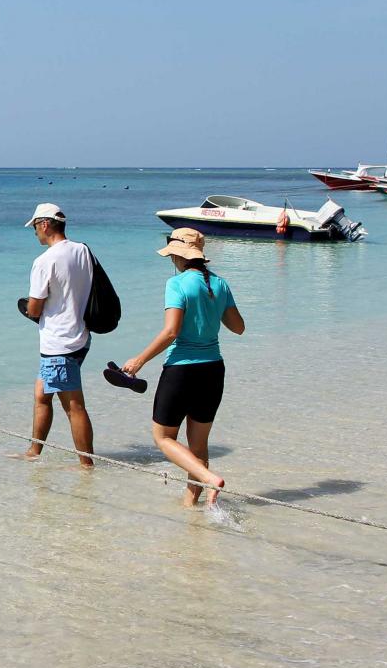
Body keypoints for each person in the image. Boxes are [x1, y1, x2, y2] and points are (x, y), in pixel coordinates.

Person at [120, 227, 245, 507]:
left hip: (182, 371)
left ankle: (209, 478)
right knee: (198, 445)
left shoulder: (176, 284)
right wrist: (212, 309)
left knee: (163, 437)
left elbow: (171, 332)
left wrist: (138, 361)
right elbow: (239, 328)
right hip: (213, 370)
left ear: (177, 254)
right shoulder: (220, 284)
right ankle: (192, 506)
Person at [17, 203, 94, 468]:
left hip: (58, 343)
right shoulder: (82, 250)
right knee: (42, 395)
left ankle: (87, 465)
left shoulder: (44, 261)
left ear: (44, 225)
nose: (35, 234)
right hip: (80, 336)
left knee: (74, 407)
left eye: (35, 228)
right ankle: (34, 451)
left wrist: (27, 307)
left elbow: (35, 307)